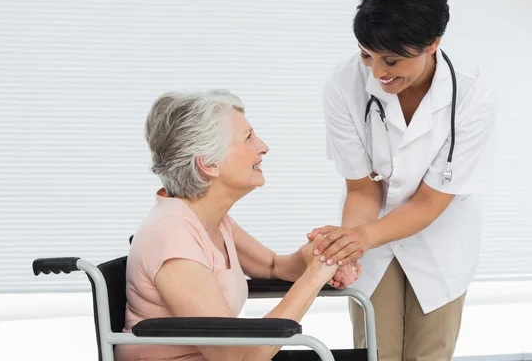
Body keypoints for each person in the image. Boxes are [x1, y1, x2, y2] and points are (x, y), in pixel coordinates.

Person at [306, 0, 497, 361]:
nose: (376, 72)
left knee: (429, 353)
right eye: (366, 55)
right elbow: (361, 187)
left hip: (441, 236)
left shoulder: (473, 94)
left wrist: (360, 238)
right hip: (370, 232)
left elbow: (430, 202)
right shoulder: (343, 85)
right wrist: (351, 244)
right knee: (375, 351)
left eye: (391, 60)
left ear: (432, 43)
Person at [115, 90, 361, 361]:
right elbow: (239, 357)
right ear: (208, 164)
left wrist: (318, 254)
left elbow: (271, 266)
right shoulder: (171, 235)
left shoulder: (212, 221)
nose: (263, 146)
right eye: (248, 137)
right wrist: (316, 275)